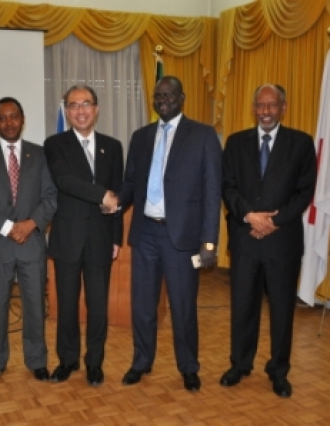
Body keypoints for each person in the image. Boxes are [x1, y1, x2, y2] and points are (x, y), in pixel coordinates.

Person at [118, 75, 222, 392]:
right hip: (146, 232)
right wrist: (111, 201)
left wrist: (208, 241)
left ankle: (188, 367)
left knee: (183, 306)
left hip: (183, 237)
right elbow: (131, 183)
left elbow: (212, 191)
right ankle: (141, 361)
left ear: (182, 97)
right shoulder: (140, 136)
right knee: (143, 305)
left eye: (169, 94)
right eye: (158, 95)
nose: (163, 99)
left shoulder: (203, 136)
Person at [220, 84, 316, 398]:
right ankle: (240, 364)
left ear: (283, 107)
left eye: (272, 105)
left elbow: (305, 192)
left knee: (282, 309)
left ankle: (278, 370)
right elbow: (228, 187)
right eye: (260, 105)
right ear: (253, 108)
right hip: (246, 238)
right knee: (243, 306)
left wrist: (273, 220)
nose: (265, 111)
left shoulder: (301, 143)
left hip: (282, 242)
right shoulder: (235, 143)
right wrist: (251, 216)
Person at [0, 97, 57, 385]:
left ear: (22, 119)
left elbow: (50, 197)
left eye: (14, 116)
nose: (9, 122)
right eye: (3, 118)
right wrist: (8, 228)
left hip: (32, 243)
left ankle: (37, 361)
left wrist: (30, 224)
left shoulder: (40, 155)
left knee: (34, 305)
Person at [44, 85, 123, 386]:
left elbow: (117, 194)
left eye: (86, 104)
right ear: (67, 111)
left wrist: (116, 236)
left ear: (96, 109)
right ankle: (67, 360)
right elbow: (64, 181)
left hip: (101, 239)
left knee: (98, 306)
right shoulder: (55, 144)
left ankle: (95, 363)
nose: (80, 110)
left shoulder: (113, 146)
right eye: (73, 105)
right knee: (66, 305)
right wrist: (101, 194)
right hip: (67, 238)